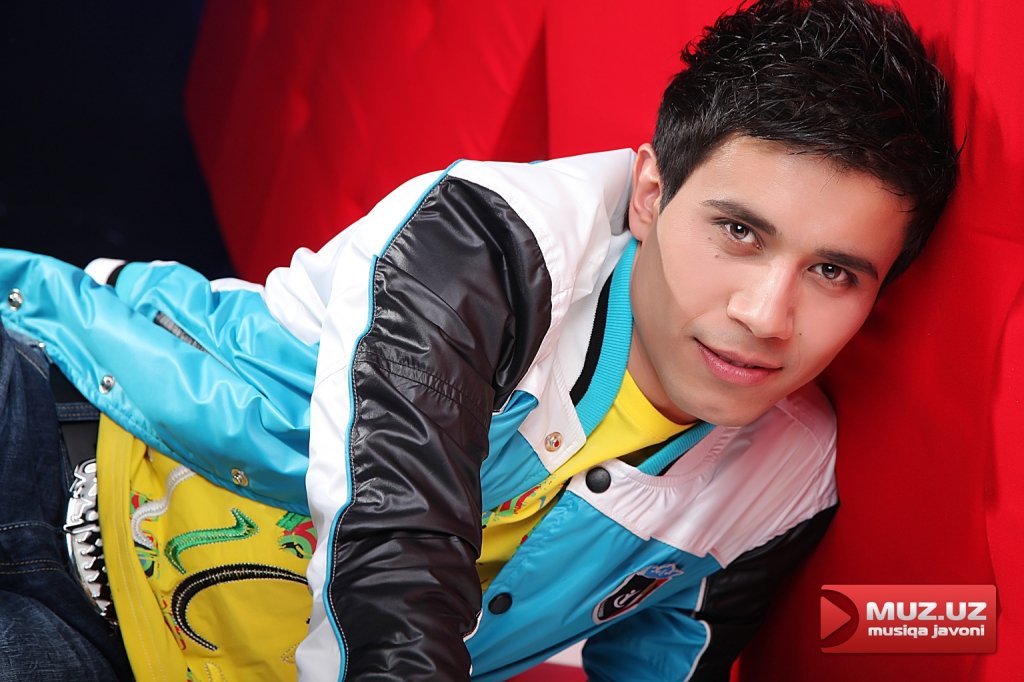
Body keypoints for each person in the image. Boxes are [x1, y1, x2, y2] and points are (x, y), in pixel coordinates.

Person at [0, 0, 958, 680]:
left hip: (94, 651)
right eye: (739, 231)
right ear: (651, 192)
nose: (766, 313)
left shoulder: (784, 483)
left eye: (835, 272)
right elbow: (397, 547)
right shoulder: (497, 242)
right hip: (59, 429)